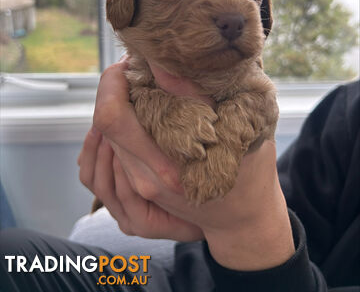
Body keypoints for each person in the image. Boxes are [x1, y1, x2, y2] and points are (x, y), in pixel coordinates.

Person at [0, 58, 359, 292]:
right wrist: (200, 218)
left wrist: (246, 231)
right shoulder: (349, 109)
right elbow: (288, 201)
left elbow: (256, 225)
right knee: (12, 258)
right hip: (183, 275)